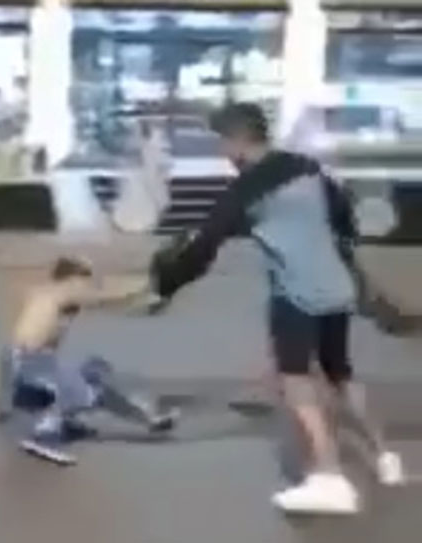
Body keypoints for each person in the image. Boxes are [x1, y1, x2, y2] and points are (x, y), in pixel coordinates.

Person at [150, 103, 404, 515]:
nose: (222, 154)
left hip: (297, 295)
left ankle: (329, 477)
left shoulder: (247, 189)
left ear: (236, 141)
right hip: (336, 287)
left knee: (295, 382)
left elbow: (204, 248)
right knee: (341, 375)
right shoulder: (307, 168)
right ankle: (385, 457)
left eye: (221, 144)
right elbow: (344, 218)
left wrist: (166, 285)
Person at [3, 257, 178, 465]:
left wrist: (147, 300)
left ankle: (149, 420)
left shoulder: (47, 294)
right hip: (30, 366)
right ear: (70, 278)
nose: (88, 285)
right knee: (83, 389)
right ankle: (43, 437)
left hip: (27, 365)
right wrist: (147, 286)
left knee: (95, 372)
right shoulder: (61, 292)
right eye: (85, 279)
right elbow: (103, 298)